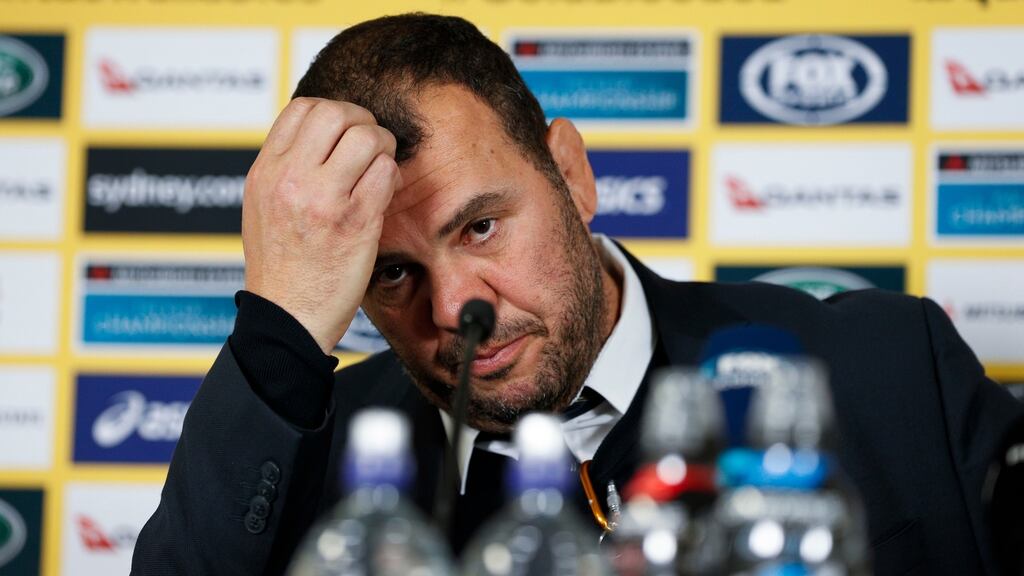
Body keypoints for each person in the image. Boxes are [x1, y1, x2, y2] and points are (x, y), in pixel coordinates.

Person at [131, 13, 1023, 576]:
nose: (452, 311)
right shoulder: (300, 461)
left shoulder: (889, 371)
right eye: (390, 273)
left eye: (480, 227)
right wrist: (279, 328)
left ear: (571, 174)